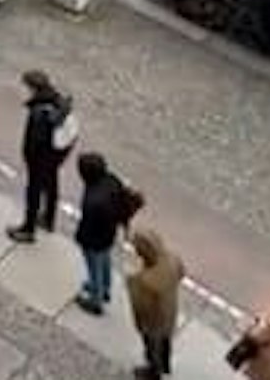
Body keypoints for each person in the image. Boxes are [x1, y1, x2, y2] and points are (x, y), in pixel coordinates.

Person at [9, 70, 77, 243]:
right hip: (55, 154)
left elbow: (35, 142)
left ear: (32, 88)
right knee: (51, 184)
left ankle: (28, 228)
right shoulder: (57, 101)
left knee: (33, 191)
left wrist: (28, 156)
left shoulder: (39, 112)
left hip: (40, 158)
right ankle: (48, 218)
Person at [72, 151, 143, 315]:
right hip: (108, 235)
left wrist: (81, 237)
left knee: (93, 266)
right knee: (104, 261)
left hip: (93, 239)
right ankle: (105, 287)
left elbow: (88, 222)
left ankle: (96, 300)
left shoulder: (94, 201)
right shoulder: (112, 180)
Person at [127, 228, 186, 380]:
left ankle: (154, 372)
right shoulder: (173, 259)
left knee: (152, 348)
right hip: (170, 310)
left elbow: (140, 308)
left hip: (153, 322)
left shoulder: (143, 280)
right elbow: (182, 273)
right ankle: (165, 364)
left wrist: (140, 325)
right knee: (166, 342)